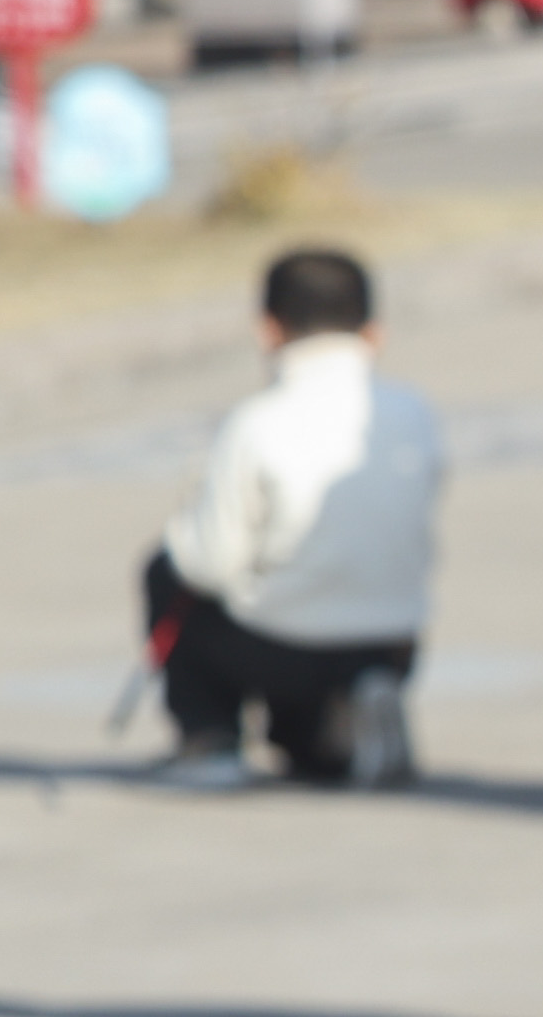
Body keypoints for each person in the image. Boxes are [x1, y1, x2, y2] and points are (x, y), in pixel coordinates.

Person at [146, 243, 442, 791]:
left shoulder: (256, 423)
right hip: (395, 640)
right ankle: (352, 718)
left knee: (165, 572)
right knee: (308, 758)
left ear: (268, 330)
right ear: (374, 333)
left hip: (284, 646)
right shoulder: (413, 411)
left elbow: (208, 565)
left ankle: (210, 741)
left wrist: (186, 529)